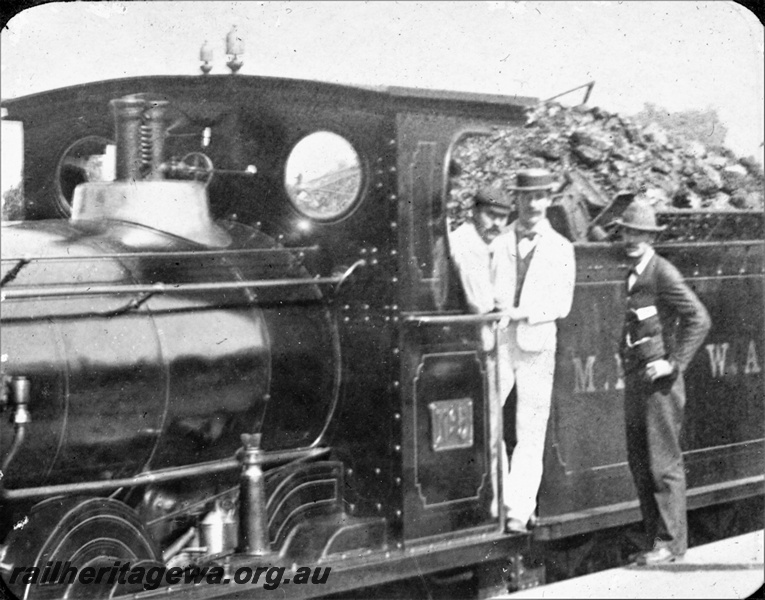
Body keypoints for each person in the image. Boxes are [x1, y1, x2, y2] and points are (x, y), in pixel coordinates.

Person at [614, 198, 711, 565]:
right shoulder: (633, 271)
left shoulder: (662, 272)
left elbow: (698, 319)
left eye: (640, 233)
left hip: (660, 386)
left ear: (650, 237)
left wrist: (674, 364)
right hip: (638, 381)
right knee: (640, 461)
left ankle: (671, 543)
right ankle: (658, 541)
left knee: (663, 463)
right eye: (628, 231)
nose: (633, 238)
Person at [491, 168, 576, 534]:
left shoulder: (561, 247)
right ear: (517, 200)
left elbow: (562, 304)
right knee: (490, 423)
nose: (533, 204)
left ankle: (518, 510)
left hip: (537, 344)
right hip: (497, 344)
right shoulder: (499, 241)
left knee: (530, 429)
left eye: (540, 197)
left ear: (549, 200)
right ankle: (494, 502)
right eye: (527, 197)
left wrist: (522, 313)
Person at [448, 181, 514, 521]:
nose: (498, 224)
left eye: (503, 217)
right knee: (489, 428)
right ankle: (497, 504)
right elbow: (483, 302)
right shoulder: (465, 244)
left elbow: (504, 295)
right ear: (474, 212)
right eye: (491, 216)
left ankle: (501, 499)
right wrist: (500, 308)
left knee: (496, 427)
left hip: (494, 342)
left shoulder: (497, 243)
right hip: (477, 345)